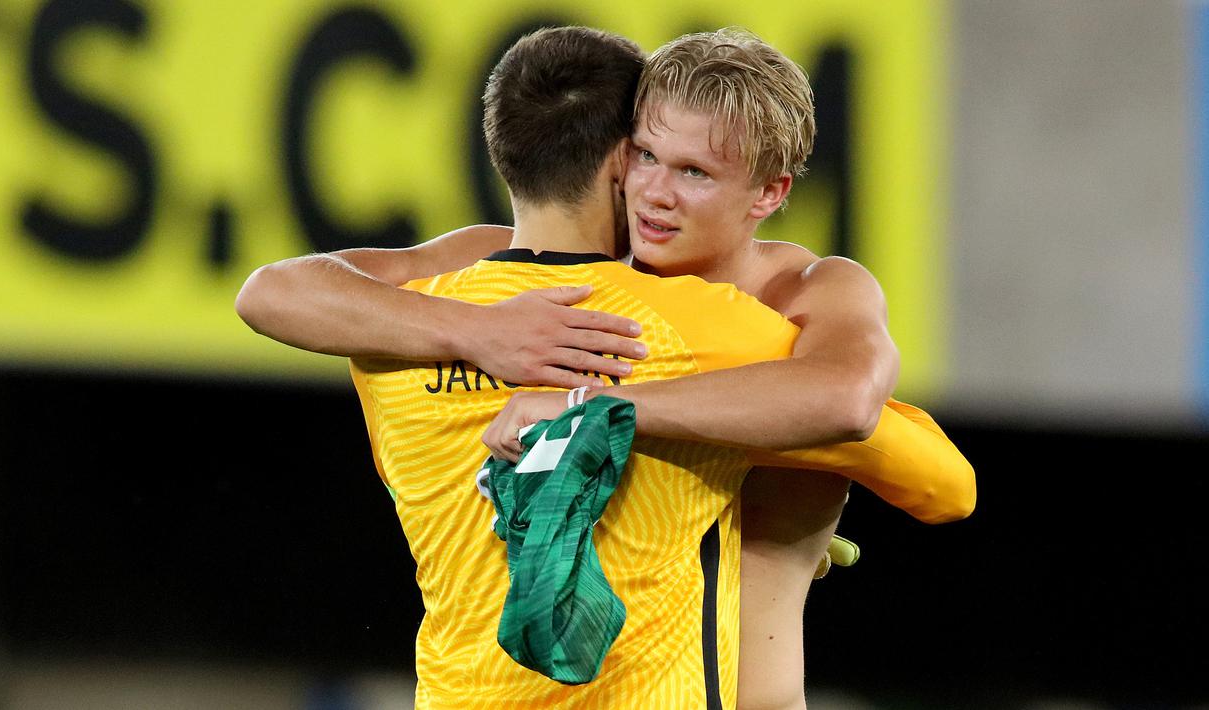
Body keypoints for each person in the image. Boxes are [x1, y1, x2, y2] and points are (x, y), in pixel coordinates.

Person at [238, 27, 974, 709]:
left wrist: (603, 410)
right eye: (646, 157)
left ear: (769, 193)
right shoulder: (571, 288)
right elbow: (274, 289)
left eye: (694, 172)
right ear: (619, 157)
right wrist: (483, 333)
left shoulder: (799, 300)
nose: (655, 192)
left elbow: (859, 412)